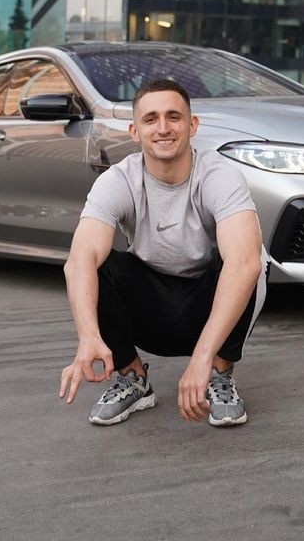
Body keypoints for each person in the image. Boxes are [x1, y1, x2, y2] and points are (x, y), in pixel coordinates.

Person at [58, 78, 268, 427]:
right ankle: (132, 377)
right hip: (151, 306)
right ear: (135, 131)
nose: (163, 128)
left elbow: (244, 263)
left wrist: (202, 358)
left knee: (250, 259)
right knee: (97, 265)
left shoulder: (220, 176)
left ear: (192, 125)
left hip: (209, 304)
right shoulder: (118, 180)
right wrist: (88, 336)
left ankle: (218, 374)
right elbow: (79, 261)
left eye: (174, 117)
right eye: (150, 119)